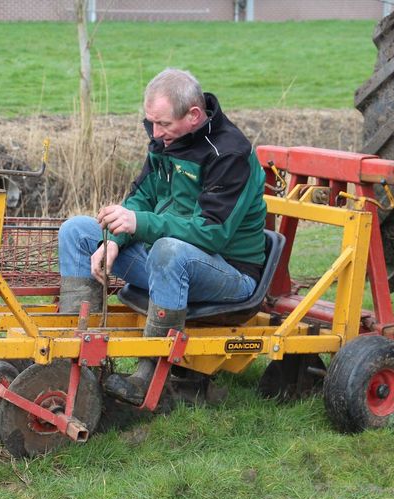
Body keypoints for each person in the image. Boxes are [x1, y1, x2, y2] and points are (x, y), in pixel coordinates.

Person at [58, 68, 267, 405]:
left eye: (164, 124)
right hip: (168, 260)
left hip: (230, 273)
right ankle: (72, 353)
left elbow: (211, 233)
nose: (155, 133)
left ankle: (150, 373)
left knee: (169, 251)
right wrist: (114, 239)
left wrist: (138, 224)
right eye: (151, 122)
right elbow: (141, 197)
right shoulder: (165, 140)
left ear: (194, 115)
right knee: (78, 231)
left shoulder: (229, 154)